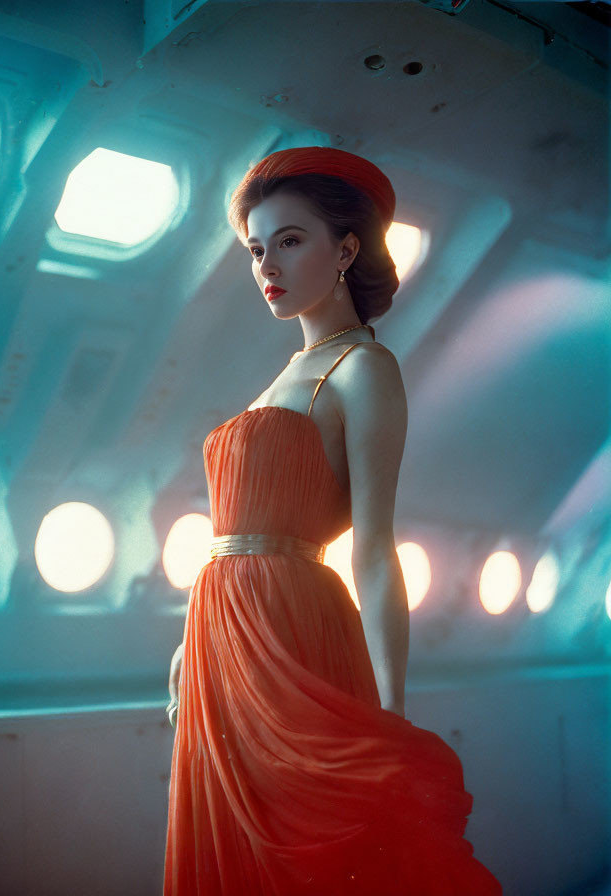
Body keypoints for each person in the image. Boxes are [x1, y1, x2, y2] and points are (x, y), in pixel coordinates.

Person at [163, 146, 502, 895]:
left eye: (289, 239)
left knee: (302, 848)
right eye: (256, 248)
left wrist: (393, 711)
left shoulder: (364, 370)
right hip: (221, 639)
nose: (266, 265)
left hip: (292, 626)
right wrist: (191, 648)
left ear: (346, 248)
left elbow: (376, 551)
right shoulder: (282, 377)